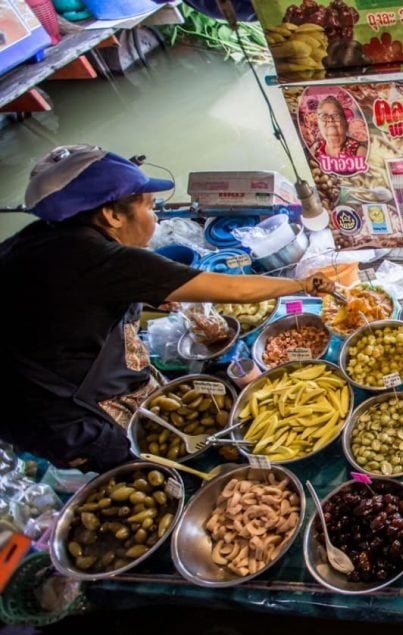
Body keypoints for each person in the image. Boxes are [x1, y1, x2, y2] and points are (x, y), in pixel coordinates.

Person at [0, 146, 328, 472]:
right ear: (111, 215)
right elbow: (235, 288)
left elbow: (68, 304)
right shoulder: (104, 260)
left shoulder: (36, 240)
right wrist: (302, 285)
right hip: (58, 410)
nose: (156, 218)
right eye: (150, 207)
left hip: (35, 389)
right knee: (137, 470)